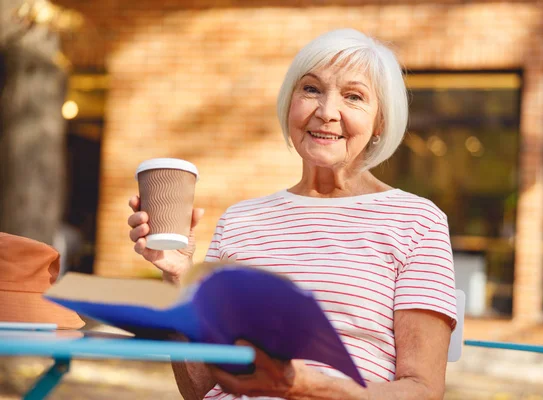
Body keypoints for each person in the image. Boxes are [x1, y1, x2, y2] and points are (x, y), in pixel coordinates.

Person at [128, 28, 457, 400]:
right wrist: (177, 276)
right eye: (312, 89)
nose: (326, 112)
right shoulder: (239, 221)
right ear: (290, 104)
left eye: (353, 97)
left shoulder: (415, 221)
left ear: (380, 121)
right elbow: (199, 388)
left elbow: (423, 390)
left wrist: (312, 387)